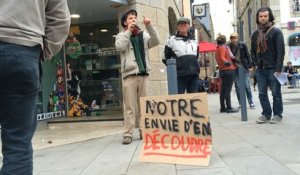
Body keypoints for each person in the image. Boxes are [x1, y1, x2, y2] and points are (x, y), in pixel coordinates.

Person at [0, 0, 70, 174]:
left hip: (23, 48)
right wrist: (42, 51)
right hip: (22, 49)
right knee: (18, 144)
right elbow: (61, 19)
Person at [115, 9, 159, 144]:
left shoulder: (143, 35)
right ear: (124, 22)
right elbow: (120, 47)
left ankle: (144, 132)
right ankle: (128, 134)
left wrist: (149, 26)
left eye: (134, 17)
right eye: (130, 18)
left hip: (144, 74)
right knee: (129, 107)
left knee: (144, 106)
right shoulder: (121, 35)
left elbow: (156, 41)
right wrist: (128, 31)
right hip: (129, 75)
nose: (133, 19)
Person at [251, 7, 285, 124]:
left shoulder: (276, 32)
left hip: (273, 68)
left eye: (265, 16)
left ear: (269, 16)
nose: (263, 18)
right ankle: (266, 114)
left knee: (276, 93)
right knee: (261, 93)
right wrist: (255, 64)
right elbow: (253, 51)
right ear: (258, 18)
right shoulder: (255, 34)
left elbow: (280, 51)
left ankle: (277, 115)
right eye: (261, 16)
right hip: (260, 69)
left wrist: (278, 68)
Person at [164, 17, 200, 94]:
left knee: (194, 99)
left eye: (185, 24)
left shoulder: (194, 41)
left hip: (193, 74)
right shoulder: (171, 40)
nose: (183, 26)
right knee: (178, 100)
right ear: (177, 27)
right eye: (180, 24)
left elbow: (196, 56)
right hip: (178, 75)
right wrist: (173, 70)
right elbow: (165, 58)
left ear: (188, 26)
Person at [228, 32, 256, 109]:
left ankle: (251, 102)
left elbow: (247, 55)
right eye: (232, 38)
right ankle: (241, 103)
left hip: (244, 67)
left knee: (246, 85)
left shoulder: (242, 45)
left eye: (235, 38)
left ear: (238, 38)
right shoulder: (228, 47)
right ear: (230, 39)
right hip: (235, 68)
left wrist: (250, 66)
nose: (234, 39)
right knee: (238, 86)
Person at [215, 35, 239, 113]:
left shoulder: (217, 48)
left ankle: (222, 107)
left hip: (222, 70)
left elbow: (220, 58)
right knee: (227, 90)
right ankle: (229, 107)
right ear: (225, 41)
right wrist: (227, 62)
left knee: (223, 90)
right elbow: (222, 57)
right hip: (228, 70)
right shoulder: (223, 47)